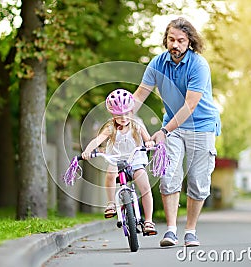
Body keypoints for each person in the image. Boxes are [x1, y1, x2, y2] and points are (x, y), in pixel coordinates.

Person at [133, 17, 221, 247]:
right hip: (173, 127)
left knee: (198, 181)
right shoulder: (157, 63)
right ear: (166, 40)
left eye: (181, 40)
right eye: (171, 39)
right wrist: (122, 115)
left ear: (190, 42)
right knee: (168, 175)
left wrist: (163, 130)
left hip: (201, 126)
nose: (175, 44)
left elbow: (189, 106)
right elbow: (140, 94)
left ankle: (190, 231)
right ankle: (171, 231)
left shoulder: (198, 65)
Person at [82, 88, 158, 235]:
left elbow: (148, 139)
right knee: (110, 173)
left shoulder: (137, 124)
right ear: (112, 114)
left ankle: (148, 221)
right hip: (117, 160)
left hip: (135, 159)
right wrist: (88, 150)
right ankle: (111, 203)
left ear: (132, 111)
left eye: (127, 113)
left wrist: (149, 143)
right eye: (118, 114)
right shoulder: (111, 128)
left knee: (145, 187)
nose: (123, 117)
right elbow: (98, 140)